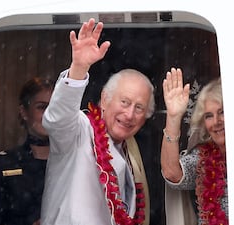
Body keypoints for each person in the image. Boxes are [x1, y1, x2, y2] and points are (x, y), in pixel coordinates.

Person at [40, 18, 154, 225]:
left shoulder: (130, 152)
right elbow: (57, 120)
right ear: (104, 99)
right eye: (124, 102)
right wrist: (79, 69)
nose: (129, 114)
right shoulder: (80, 130)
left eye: (139, 108)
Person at [160, 68, 228, 225]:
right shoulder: (204, 159)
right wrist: (173, 117)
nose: (216, 121)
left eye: (222, 112)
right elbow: (172, 173)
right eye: (209, 116)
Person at [0, 77, 54, 225]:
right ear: (24, 112)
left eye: (54, 108)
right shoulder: (2, 164)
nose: (49, 114)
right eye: (42, 107)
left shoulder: (73, 162)